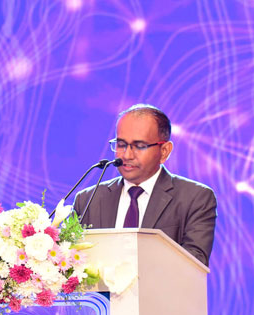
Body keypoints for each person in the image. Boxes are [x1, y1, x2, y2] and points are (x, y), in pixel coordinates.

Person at [73, 104, 217, 266]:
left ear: (164, 151)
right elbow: (71, 259)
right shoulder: (88, 200)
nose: (127, 155)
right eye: (121, 144)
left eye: (140, 146)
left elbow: (194, 263)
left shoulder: (195, 198)